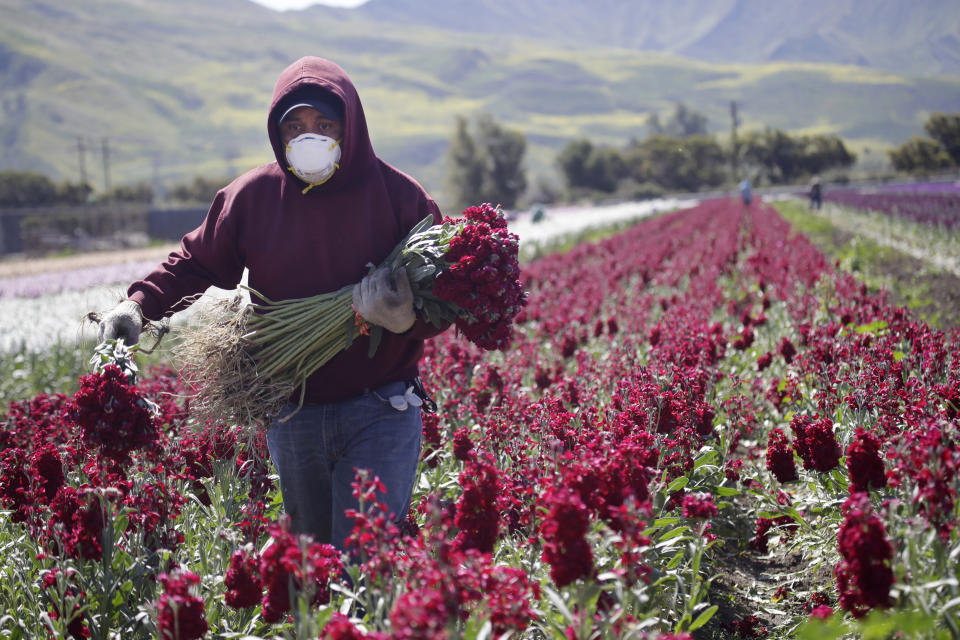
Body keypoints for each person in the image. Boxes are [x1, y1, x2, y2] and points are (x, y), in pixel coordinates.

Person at [97, 56, 449, 549]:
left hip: (382, 407)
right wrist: (137, 305)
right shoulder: (252, 197)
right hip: (292, 408)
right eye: (295, 126)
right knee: (312, 565)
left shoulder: (399, 196)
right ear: (278, 134)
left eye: (325, 124)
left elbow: (441, 299)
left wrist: (405, 319)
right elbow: (196, 262)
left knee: (367, 562)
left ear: (351, 127)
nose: (310, 136)